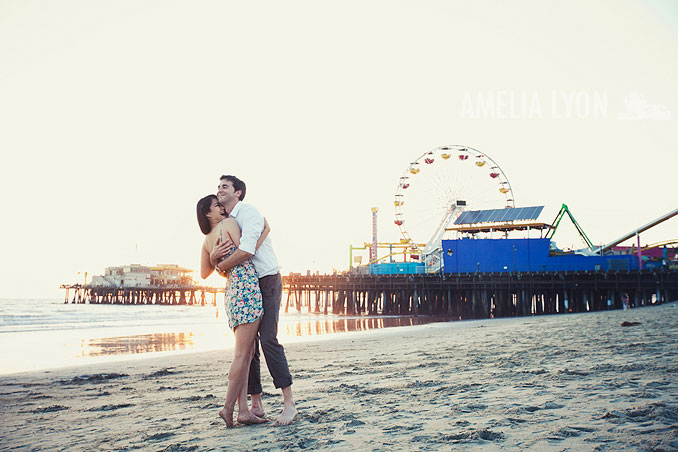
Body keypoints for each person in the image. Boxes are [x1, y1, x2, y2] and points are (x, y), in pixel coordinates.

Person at [210, 175, 297, 425]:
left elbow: (247, 250)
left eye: (224, 187)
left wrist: (220, 267)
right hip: (248, 284)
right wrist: (218, 262)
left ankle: (289, 403)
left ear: (238, 193)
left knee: (268, 339)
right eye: (218, 187)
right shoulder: (227, 221)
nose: (219, 190)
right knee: (249, 349)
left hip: (267, 279)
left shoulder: (248, 213)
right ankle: (255, 404)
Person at [197, 194, 269, 427]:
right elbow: (246, 251)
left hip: (232, 292)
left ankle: (244, 411)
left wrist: (214, 258)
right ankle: (228, 409)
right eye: (216, 206)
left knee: (246, 354)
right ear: (209, 214)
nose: (221, 208)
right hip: (245, 286)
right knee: (241, 355)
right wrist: (264, 233)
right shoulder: (228, 225)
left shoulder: (206, 240)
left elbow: (204, 273)